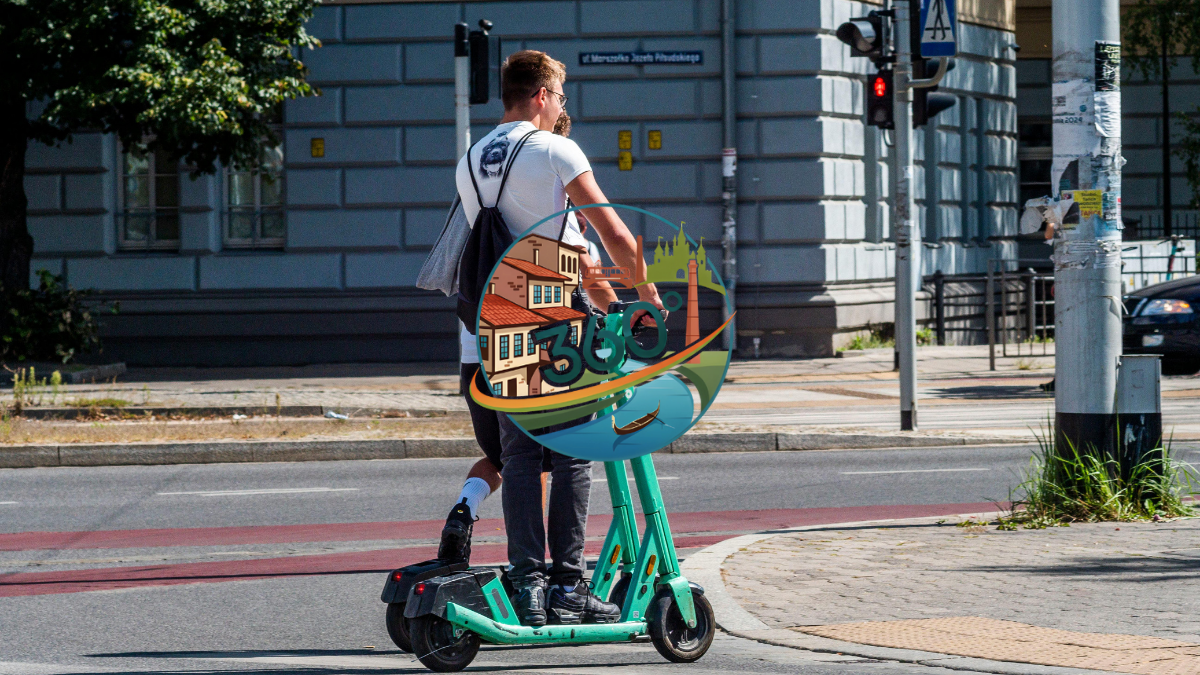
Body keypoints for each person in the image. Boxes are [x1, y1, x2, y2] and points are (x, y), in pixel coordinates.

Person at [455, 49, 663, 627]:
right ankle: (569, 586)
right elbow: (609, 231)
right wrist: (645, 294)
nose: (562, 108)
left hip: (495, 317)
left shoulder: (471, 158)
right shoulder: (554, 149)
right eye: (561, 98)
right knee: (573, 452)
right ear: (543, 94)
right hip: (550, 319)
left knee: (520, 455)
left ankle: (529, 587)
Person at [435, 101, 602, 567]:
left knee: (515, 457)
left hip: (479, 353)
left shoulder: (480, 201)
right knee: (564, 453)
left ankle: (468, 512)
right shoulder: (558, 214)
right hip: (544, 336)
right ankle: (563, 577)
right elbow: (592, 276)